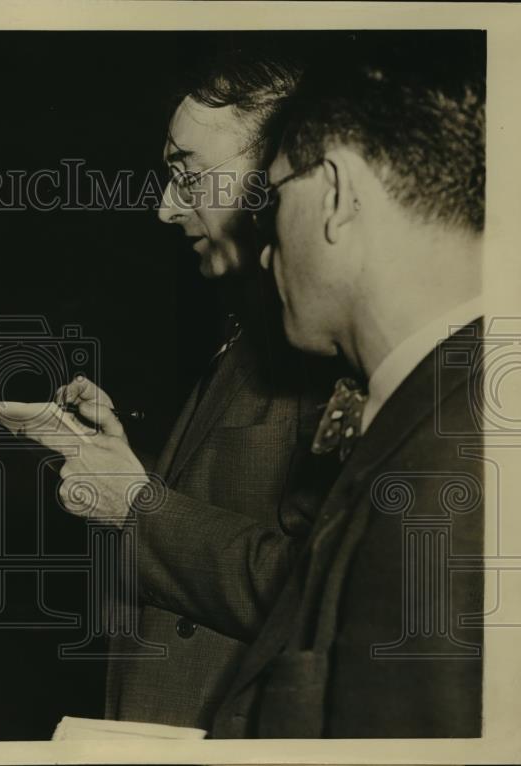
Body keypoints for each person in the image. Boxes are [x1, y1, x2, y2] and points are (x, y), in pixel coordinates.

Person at [44, 40, 343, 730]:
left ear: (282, 167)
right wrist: (126, 465)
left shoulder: (323, 346)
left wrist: (137, 506)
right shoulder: (254, 331)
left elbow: (321, 589)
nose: (165, 210)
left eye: (187, 174)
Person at [209, 35, 485, 737]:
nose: (265, 248)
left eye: (271, 201)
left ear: (334, 194)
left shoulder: (442, 482)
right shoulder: (449, 415)